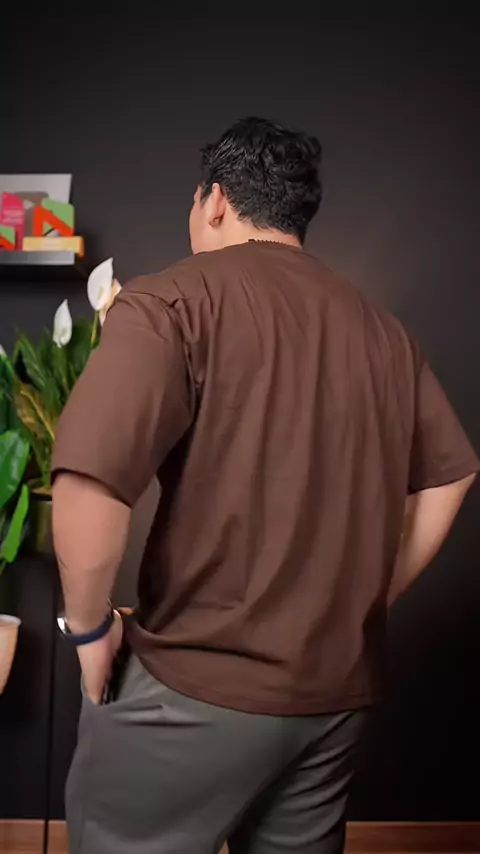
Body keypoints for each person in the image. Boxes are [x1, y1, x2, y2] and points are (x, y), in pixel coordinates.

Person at [52, 117, 478, 854]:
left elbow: (90, 482)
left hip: (192, 689)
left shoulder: (170, 300)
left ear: (215, 200)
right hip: (333, 702)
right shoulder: (385, 333)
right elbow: (453, 474)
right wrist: (366, 599)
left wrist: (90, 632)